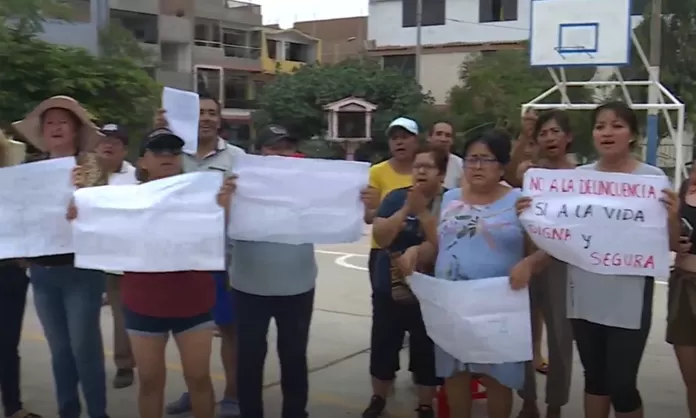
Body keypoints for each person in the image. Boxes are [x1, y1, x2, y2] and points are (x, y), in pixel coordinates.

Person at [517, 101, 680, 418]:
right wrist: (531, 217)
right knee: (595, 380)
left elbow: (671, 245)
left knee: (622, 384)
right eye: (600, 125)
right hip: (584, 296)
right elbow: (559, 236)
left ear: (632, 135)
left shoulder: (653, 180)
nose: (607, 132)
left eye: (617, 125)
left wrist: (672, 218)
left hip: (630, 298)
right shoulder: (577, 178)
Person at [69, 128, 236, 418]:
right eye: (158, 151)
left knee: (198, 378)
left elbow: (222, 232)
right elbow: (95, 225)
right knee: (149, 382)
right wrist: (79, 207)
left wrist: (226, 207)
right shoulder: (123, 198)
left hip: (194, 301)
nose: (167, 156)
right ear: (143, 161)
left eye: (174, 151)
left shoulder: (204, 195)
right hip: (143, 302)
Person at [433, 129, 547, 418]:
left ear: (502, 165)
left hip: (500, 305)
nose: (477, 166)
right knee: (455, 375)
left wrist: (529, 264)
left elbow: (549, 248)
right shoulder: (450, 198)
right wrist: (416, 253)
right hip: (452, 303)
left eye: (486, 159)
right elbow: (437, 243)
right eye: (471, 159)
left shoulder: (521, 201)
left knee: (498, 378)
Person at [12, 96, 108, 418]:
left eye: (62, 121)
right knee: (60, 350)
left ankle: (98, 412)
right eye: (49, 122)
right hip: (42, 273)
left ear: (75, 129)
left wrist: (84, 204)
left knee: (85, 349)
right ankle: (68, 411)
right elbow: (18, 215)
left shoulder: (90, 166)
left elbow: (104, 211)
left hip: (82, 271)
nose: (55, 127)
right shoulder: (28, 169)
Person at [159, 93, 245, 418]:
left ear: (220, 120)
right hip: (184, 260)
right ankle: (195, 391)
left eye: (212, 113)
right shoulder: (174, 156)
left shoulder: (237, 158)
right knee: (190, 333)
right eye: (200, 113)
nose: (206, 118)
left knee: (229, 331)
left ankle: (233, 395)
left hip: (223, 260)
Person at [229, 124, 319, 418]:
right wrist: (225, 203)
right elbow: (217, 224)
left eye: (286, 147)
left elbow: (341, 211)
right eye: (273, 147)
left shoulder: (311, 184)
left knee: (294, 357)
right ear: (259, 152)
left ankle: (295, 412)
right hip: (249, 285)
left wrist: (362, 202)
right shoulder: (238, 183)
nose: (280, 154)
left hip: (298, 284)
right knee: (250, 359)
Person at [362, 145, 448, 418]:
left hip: (431, 293)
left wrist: (422, 214)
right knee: (384, 345)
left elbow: (445, 244)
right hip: (390, 287)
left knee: (427, 351)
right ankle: (378, 396)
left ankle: (425, 404)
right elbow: (382, 236)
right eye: (417, 166)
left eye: (428, 167)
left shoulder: (452, 202)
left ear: (442, 174)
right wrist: (405, 211)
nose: (420, 171)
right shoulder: (394, 198)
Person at [515, 110, 576, 418]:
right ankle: (528, 400)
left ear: (568, 137)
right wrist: (524, 134)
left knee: (560, 337)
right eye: (543, 133)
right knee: (523, 334)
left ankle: (555, 405)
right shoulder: (529, 171)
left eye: (555, 132)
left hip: (563, 265)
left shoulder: (582, 175)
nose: (550, 138)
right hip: (525, 260)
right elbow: (508, 173)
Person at [0, 131, 41, 418]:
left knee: (7, 345)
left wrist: (27, 252)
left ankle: (13, 407)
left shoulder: (13, 184)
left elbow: (28, 223)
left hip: (9, 274)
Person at [94, 123, 138, 389]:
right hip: (84, 257)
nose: (108, 145)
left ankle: (124, 365)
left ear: (125, 149)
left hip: (119, 260)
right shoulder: (83, 173)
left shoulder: (135, 177)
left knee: (123, 316)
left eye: (115, 141)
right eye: (103, 140)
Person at [670, 161, 696, 418]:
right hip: (683, 288)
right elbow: (670, 237)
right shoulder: (686, 187)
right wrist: (674, 237)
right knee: (691, 377)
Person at [427, 121, 462, 188]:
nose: (443, 139)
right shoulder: (418, 162)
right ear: (429, 137)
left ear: (452, 141)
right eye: (439, 134)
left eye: (448, 135)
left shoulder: (460, 165)